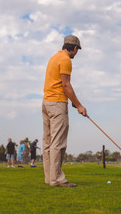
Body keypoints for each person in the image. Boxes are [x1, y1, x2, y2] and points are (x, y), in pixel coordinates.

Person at [42, 34, 87, 187]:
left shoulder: (54, 57)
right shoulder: (66, 60)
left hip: (46, 103)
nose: (76, 53)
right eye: (77, 50)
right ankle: (57, 180)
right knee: (58, 142)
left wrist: (73, 102)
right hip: (57, 103)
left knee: (48, 142)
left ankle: (50, 178)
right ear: (74, 48)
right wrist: (79, 105)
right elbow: (65, 85)